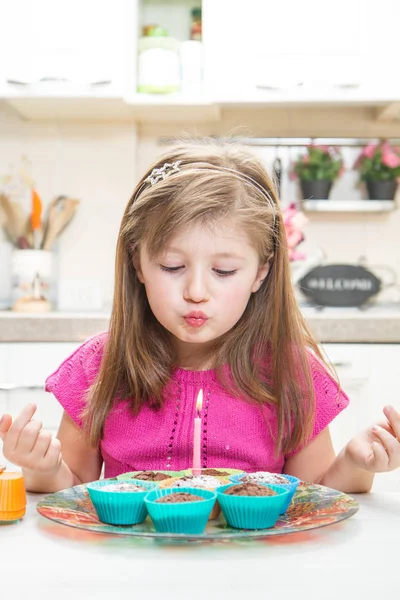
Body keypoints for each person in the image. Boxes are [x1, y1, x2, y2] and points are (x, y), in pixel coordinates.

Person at [0, 139, 399, 494]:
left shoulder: (290, 372)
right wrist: (44, 469)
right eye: (172, 266)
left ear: (261, 271)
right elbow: (74, 494)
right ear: (136, 263)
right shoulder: (100, 367)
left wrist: (356, 465)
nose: (196, 292)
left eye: (224, 272)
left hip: (257, 573)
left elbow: (315, 499)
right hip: (124, 573)